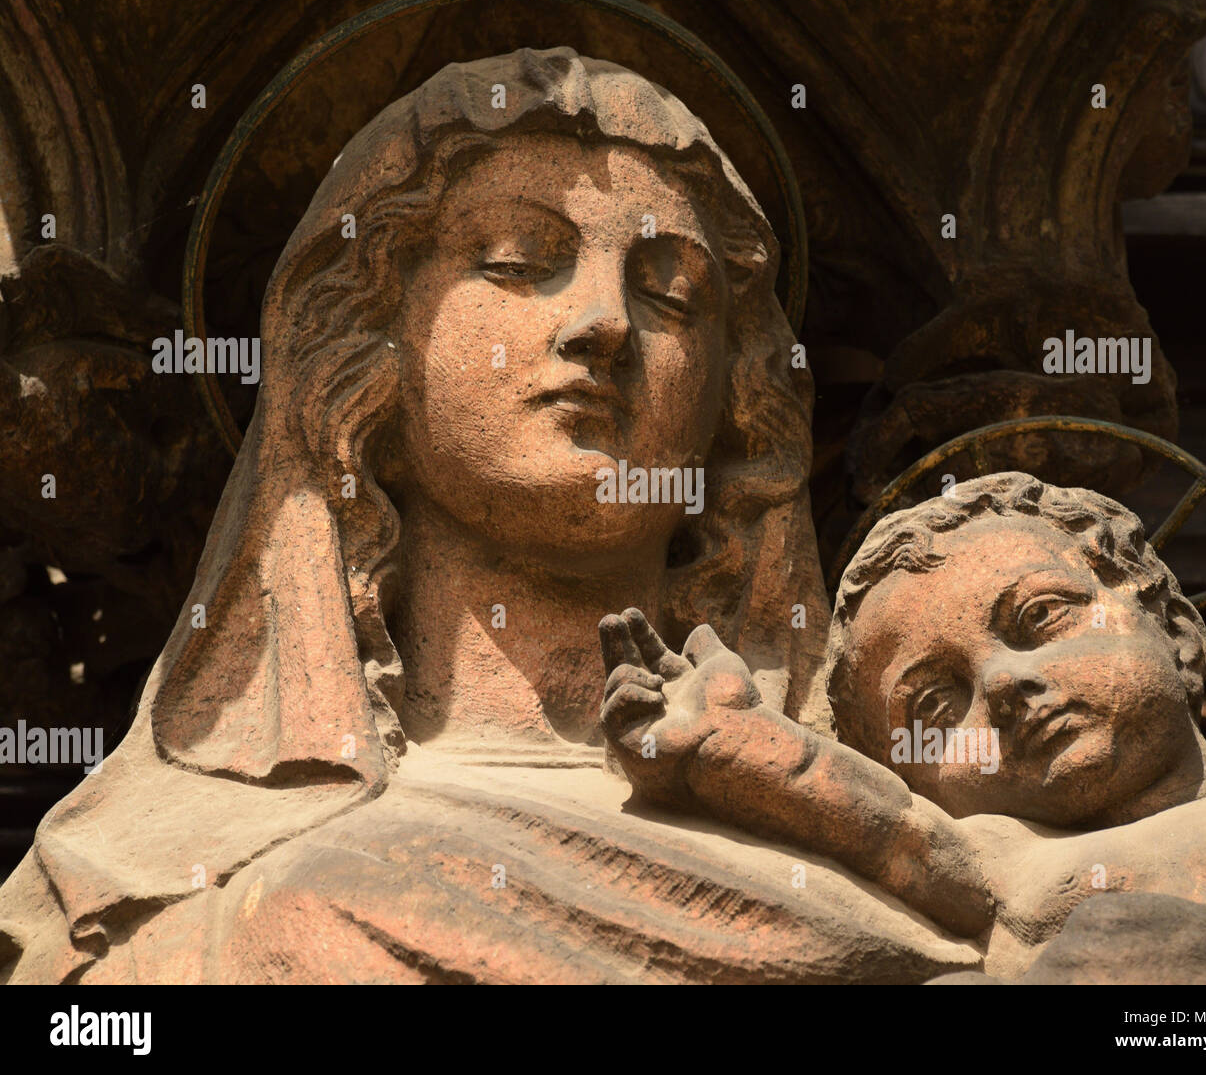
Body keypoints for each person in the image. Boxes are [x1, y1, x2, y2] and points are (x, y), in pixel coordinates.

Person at [2, 49, 974, 985]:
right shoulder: (147, 890)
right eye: (517, 260)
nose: (602, 322)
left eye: (669, 292)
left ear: (736, 400)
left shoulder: (887, 840)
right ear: (362, 349)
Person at [601, 472, 1206, 979]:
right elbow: (892, 824)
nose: (1002, 684)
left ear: (1172, 627)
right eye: (936, 709)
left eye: (1039, 618)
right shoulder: (997, 858)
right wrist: (731, 743)